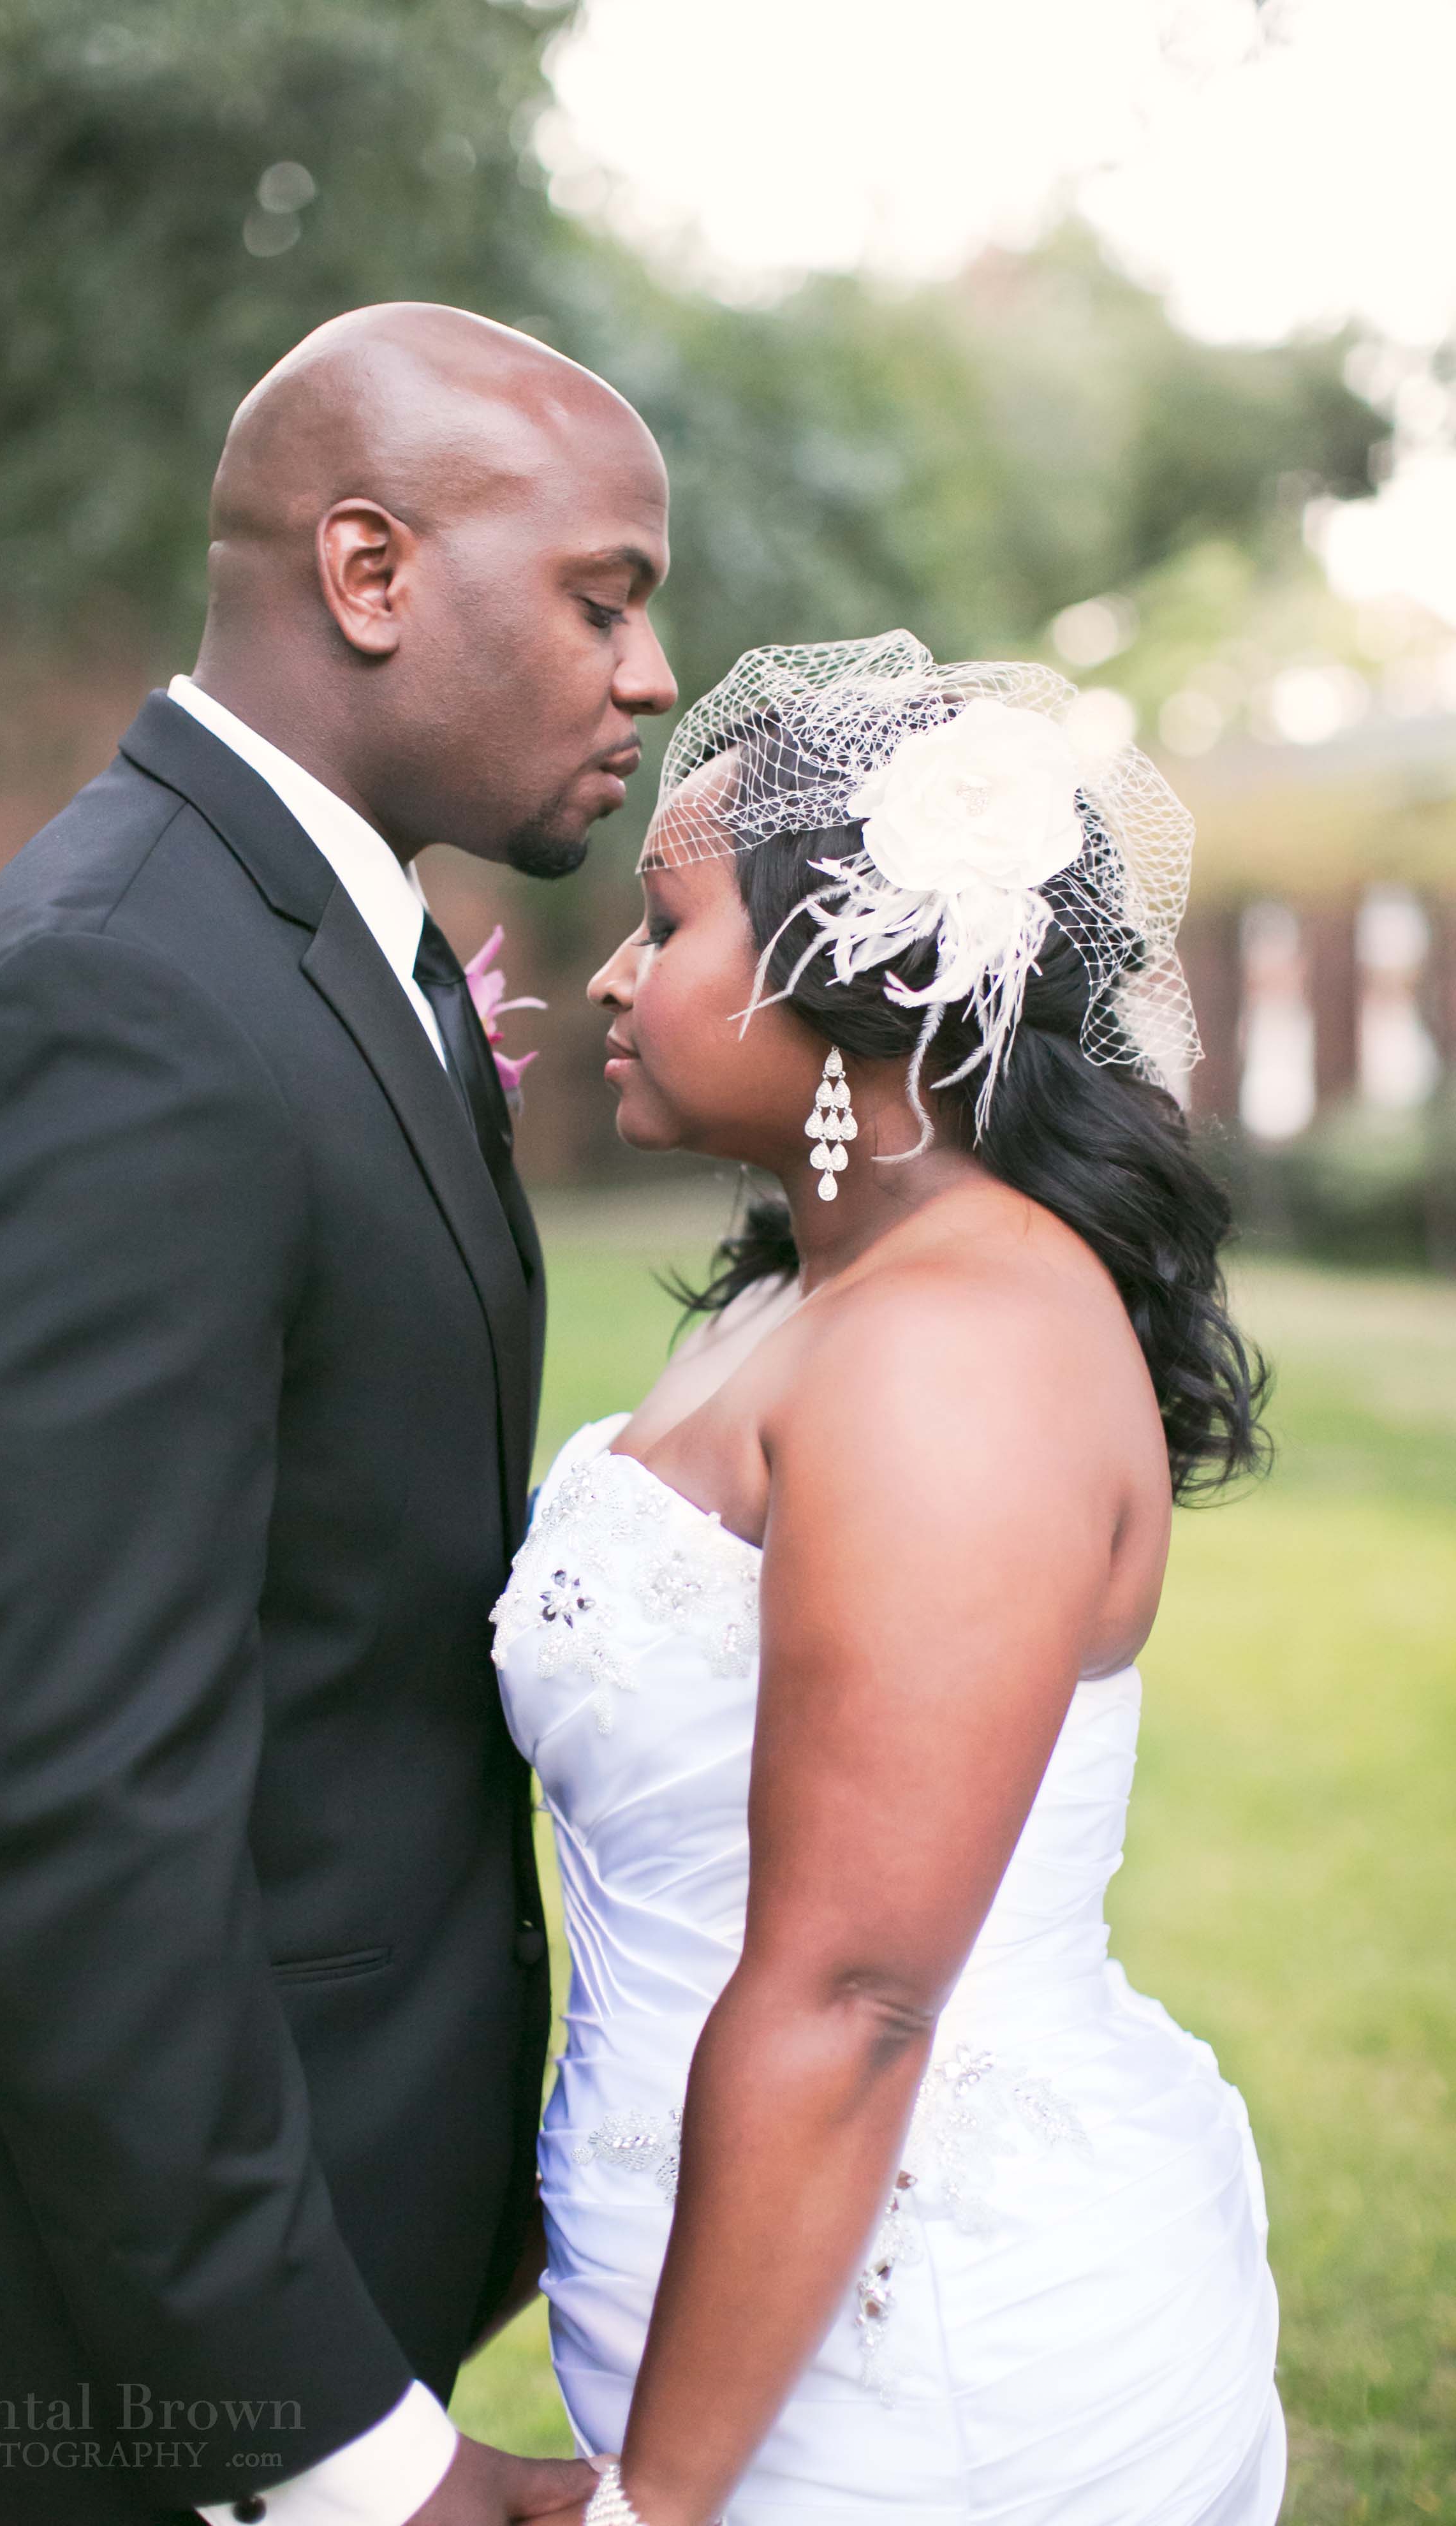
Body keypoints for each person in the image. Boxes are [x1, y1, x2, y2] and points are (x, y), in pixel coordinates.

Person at [0, 302, 675, 2526]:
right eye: (603, 597)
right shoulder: (114, 1003)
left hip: (307, 2215)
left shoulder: (306, 950)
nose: (651, 677)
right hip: (109, 2359)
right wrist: (334, 2446)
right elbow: (65, 1791)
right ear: (368, 576)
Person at [494, 632, 1284, 2526]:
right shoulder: (799, 1290)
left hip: (925, 2368)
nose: (611, 971)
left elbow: (855, 1989)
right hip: (731, 2292)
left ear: (872, 979)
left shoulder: (959, 1353)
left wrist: (647, 2504)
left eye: (664, 928)